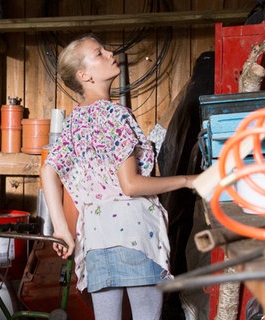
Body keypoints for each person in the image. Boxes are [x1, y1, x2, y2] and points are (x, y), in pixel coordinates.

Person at [40, 33, 198, 320]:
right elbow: (132, 185)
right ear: (85, 75)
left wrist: (61, 228)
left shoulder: (75, 121)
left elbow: (48, 170)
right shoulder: (116, 115)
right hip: (135, 234)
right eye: (99, 53)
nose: (111, 53)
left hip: (97, 238)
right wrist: (189, 180)